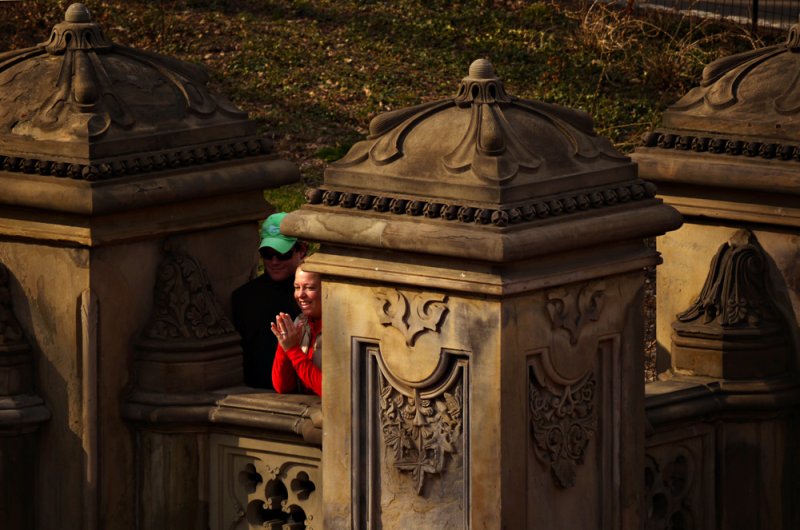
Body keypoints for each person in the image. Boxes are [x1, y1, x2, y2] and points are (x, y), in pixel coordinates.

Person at [231, 212, 306, 389]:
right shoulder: (243, 297)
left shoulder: (312, 296)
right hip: (254, 393)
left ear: (302, 250)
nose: (274, 261)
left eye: (283, 254)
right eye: (267, 254)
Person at [270, 264, 322, 396]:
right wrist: (284, 345)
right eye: (297, 287)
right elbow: (282, 387)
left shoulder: (340, 328)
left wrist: (292, 350)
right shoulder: (300, 322)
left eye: (310, 288)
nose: (300, 295)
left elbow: (328, 389)